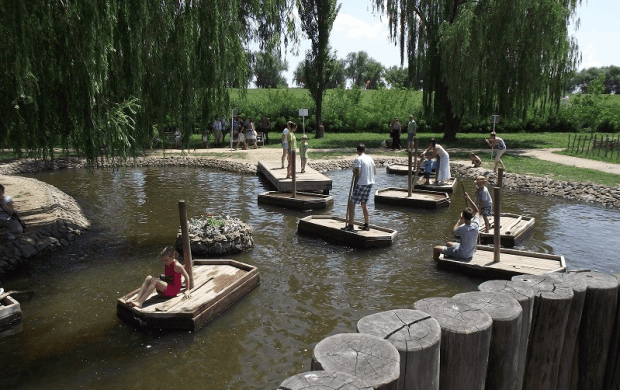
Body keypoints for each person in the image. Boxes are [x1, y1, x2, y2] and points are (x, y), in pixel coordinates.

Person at [127, 246, 194, 308]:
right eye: (163, 260)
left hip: (173, 290)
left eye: (166, 260)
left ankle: (140, 302)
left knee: (155, 281)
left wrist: (187, 290)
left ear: (173, 257)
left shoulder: (177, 265)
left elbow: (187, 276)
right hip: (167, 286)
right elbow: (169, 275)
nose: (164, 262)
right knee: (149, 277)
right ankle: (137, 299)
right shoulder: (167, 263)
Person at [433, 192, 480, 261]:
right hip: (470, 253)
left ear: (463, 217)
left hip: (461, 254)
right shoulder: (476, 224)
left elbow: (454, 231)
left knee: (436, 248)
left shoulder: (462, 228)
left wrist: (459, 220)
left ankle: (435, 263)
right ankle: (449, 253)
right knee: (448, 244)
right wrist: (468, 199)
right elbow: (477, 211)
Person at [342, 143, 376, 232]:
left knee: (351, 203)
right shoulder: (370, 158)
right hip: (370, 183)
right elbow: (374, 172)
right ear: (364, 150)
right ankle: (366, 225)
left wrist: (355, 173)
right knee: (363, 203)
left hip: (361, 183)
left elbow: (358, 172)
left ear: (357, 151)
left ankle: (350, 225)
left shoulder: (358, 159)